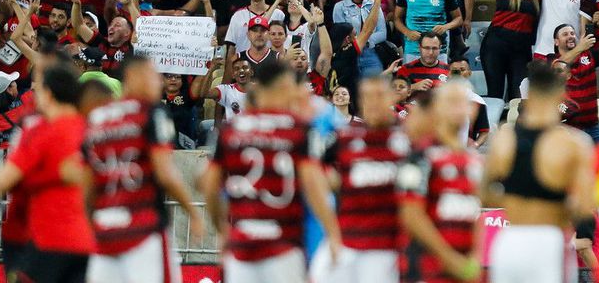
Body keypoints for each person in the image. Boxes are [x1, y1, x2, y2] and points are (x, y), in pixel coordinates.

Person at [199, 56, 341, 283]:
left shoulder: (231, 129)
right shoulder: (298, 129)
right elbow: (314, 185)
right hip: (283, 245)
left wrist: (222, 230)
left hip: (242, 244)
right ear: (283, 87)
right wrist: (333, 233)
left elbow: (207, 183)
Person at [0, 57, 96, 283]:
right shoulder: (87, 128)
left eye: (39, 88)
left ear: (49, 94)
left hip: (47, 243)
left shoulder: (41, 132)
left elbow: (5, 179)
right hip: (83, 242)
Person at [82, 53, 206, 283]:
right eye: (152, 75)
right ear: (133, 76)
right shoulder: (150, 112)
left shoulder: (96, 119)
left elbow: (87, 184)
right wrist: (194, 213)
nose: (157, 82)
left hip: (105, 233)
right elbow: (165, 173)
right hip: (144, 229)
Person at [482, 62, 597, 283]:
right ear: (560, 94)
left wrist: (520, 198)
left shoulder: (504, 140)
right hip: (549, 241)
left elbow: (484, 193)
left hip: (510, 241)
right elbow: (584, 206)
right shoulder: (573, 143)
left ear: (529, 95)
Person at [313, 75, 409, 283]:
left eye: (379, 96)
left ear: (390, 98)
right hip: (346, 241)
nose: (373, 102)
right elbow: (314, 171)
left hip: (387, 248)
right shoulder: (344, 138)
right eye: (367, 97)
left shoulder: (408, 140)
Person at [399, 79, 485, 283]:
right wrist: (451, 260)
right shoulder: (419, 156)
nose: (458, 109)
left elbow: (475, 215)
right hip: (424, 271)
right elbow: (410, 216)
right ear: (438, 108)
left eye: (462, 102)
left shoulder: (473, 162)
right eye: (451, 102)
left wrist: (475, 258)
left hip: (461, 271)